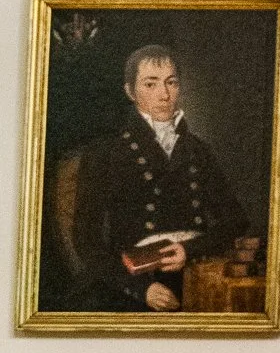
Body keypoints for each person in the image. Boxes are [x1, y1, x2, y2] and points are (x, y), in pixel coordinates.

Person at [52, 45, 260, 315]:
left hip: (194, 272)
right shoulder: (105, 153)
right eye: (150, 84)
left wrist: (189, 250)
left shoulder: (198, 150)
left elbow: (236, 220)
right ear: (130, 92)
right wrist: (140, 289)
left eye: (171, 83)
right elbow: (86, 241)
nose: (164, 95)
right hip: (132, 283)